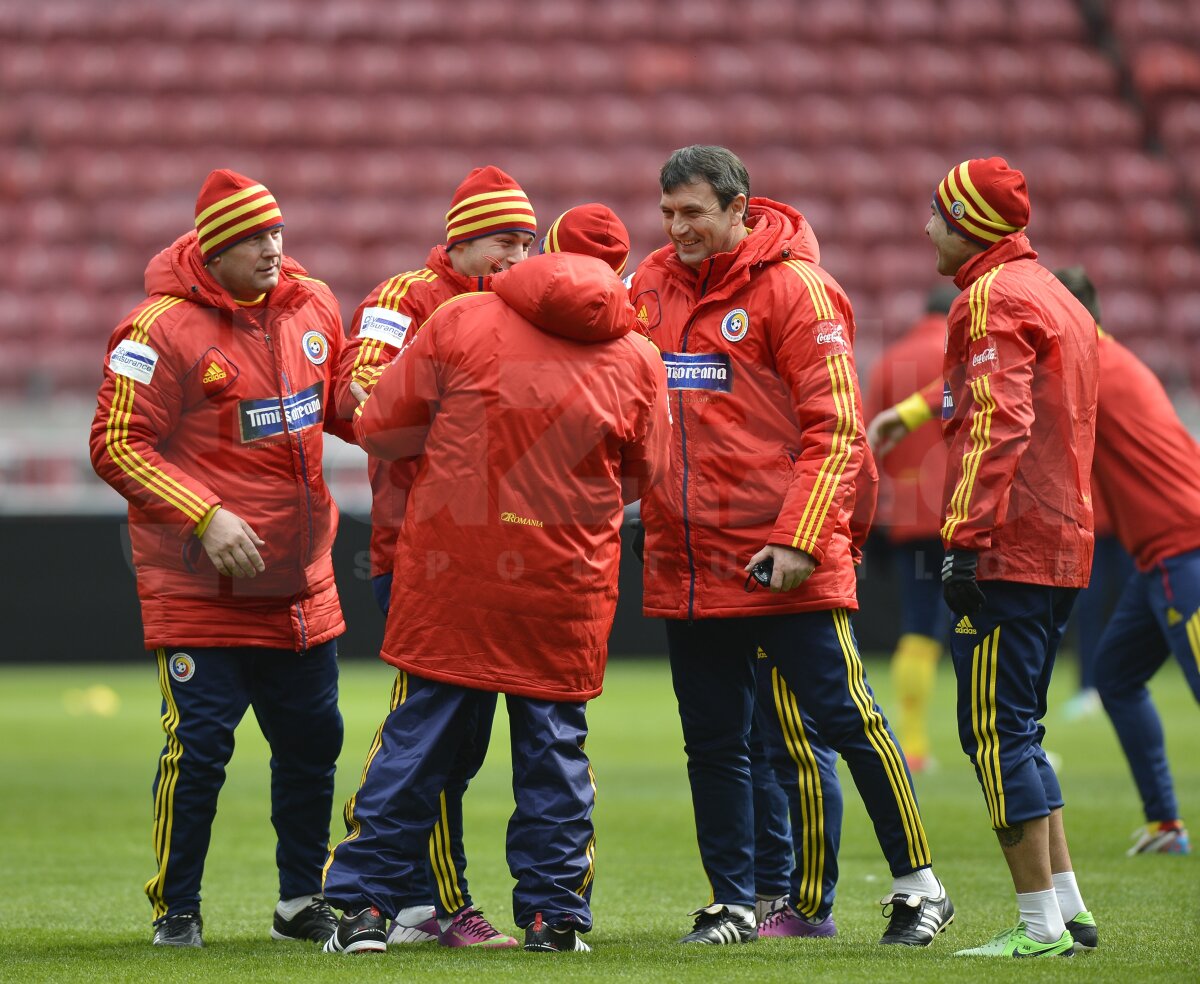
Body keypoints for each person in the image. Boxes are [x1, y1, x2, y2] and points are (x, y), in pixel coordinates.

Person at [321, 206, 671, 955]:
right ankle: (554, 918)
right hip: (567, 582)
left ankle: (365, 913)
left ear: (543, 253)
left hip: (455, 573)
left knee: (416, 746)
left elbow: (378, 425)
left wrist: (456, 446)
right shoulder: (640, 354)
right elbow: (646, 475)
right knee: (556, 755)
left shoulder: (462, 319)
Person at [630, 145, 952, 947]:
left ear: (741, 206)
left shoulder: (799, 290)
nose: (677, 230)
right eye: (668, 214)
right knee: (712, 742)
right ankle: (735, 901)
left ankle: (921, 889)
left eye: (694, 214)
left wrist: (800, 540)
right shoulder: (647, 288)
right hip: (690, 563)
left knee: (850, 721)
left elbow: (837, 429)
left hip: (783, 562)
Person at [88, 169, 351, 948]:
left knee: (314, 745)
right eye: (251, 239)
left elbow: (337, 404)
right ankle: (178, 907)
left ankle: (301, 901)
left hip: (300, 585)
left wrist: (405, 416)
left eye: (276, 232)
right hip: (201, 590)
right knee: (199, 752)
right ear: (214, 247)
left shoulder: (315, 304)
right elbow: (113, 444)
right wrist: (205, 516)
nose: (272, 248)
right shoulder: (156, 331)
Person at [870, 158, 1099, 958]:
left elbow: (996, 422)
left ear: (968, 222)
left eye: (936, 213)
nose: (926, 227)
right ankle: (1069, 909)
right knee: (1023, 729)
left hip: (1011, 545)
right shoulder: (1056, 294)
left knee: (993, 735)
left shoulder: (990, 297)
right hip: (1064, 537)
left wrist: (963, 540)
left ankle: (1037, 926)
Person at [334, 165, 538, 949]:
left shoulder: (525, 305)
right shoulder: (402, 299)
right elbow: (360, 398)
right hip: (417, 549)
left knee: (460, 741)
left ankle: (411, 900)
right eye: (500, 239)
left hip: (499, 550)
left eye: (526, 240)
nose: (516, 254)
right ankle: (434, 904)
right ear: (460, 238)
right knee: (433, 733)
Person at [1054, 266, 1196, 857]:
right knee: (1115, 675)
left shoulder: (1092, 368)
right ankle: (1166, 826)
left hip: (1184, 552)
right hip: (1160, 557)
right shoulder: (1112, 361)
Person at [863, 284, 958, 772]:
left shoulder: (889, 362)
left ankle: (915, 744)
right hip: (966, 514)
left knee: (918, 625)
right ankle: (1009, 741)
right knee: (980, 626)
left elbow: (866, 444)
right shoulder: (968, 355)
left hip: (908, 520)